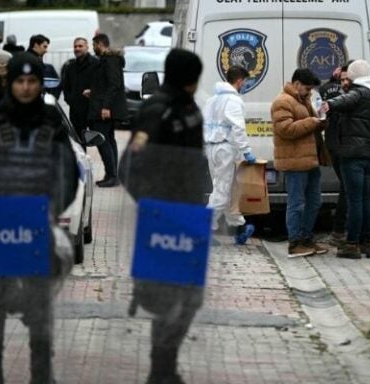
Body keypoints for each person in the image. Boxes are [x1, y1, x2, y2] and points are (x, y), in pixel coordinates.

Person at [0, 52, 78, 384]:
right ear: (9, 83)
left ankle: (42, 376)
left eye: (32, 82)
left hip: (38, 225)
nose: (25, 88)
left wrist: (54, 208)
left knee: (40, 310)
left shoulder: (51, 119)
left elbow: (67, 171)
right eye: (19, 81)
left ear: (40, 84)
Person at [120, 48, 208, 384]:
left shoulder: (188, 107)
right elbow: (130, 165)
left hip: (189, 214)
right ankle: (161, 369)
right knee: (165, 295)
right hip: (163, 215)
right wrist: (151, 203)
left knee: (188, 296)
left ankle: (165, 365)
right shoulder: (157, 108)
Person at [321, 60, 370, 259]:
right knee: (366, 199)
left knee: (354, 200)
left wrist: (328, 104)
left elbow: (345, 101)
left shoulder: (359, 92)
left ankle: (352, 243)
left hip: (352, 155)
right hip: (369, 155)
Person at [271, 68, 329, 258]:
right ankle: (294, 243)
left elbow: (308, 124)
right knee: (296, 203)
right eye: (307, 88)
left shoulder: (302, 100)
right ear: (296, 84)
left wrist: (321, 120)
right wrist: (312, 122)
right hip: (294, 162)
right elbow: (285, 129)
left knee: (314, 202)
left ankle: (306, 238)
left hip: (310, 160)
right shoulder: (283, 102)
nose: (309, 92)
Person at [204, 65, 256, 245]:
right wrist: (247, 151)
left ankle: (239, 226)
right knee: (223, 192)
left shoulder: (212, 100)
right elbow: (239, 129)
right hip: (225, 148)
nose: (244, 86)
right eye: (245, 82)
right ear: (240, 80)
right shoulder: (234, 100)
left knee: (221, 188)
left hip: (211, 148)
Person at [88, 33, 127, 187]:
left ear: (100, 44)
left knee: (104, 142)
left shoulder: (110, 60)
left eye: (94, 45)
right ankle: (111, 175)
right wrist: (93, 91)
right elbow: (105, 84)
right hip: (102, 106)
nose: (93, 48)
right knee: (109, 141)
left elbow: (114, 84)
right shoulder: (106, 60)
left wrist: (105, 107)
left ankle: (112, 176)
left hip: (104, 109)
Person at [320, 65, 347, 246]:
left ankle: (340, 231)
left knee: (347, 189)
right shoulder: (354, 94)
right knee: (347, 189)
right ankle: (342, 232)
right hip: (344, 145)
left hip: (334, 143)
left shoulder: (323, 89)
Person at [61, 37, 98, 148]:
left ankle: (111, 166)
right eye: (75, 46)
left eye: (80, 46)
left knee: (101, 142)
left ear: (87, 47)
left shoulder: (96, 64)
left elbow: (102, 84)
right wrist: (69, 100)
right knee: (79, 144)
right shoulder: (70, 66)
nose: (77, 48)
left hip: (92, 109)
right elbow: (66, 86)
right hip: (76, 111)